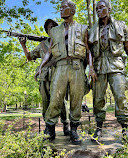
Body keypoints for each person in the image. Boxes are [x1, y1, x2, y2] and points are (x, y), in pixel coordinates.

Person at [38, 0, 96, 145]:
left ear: (73, 10)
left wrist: (91, 68)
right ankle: (50, 128)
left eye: (65, 7)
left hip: (77, 67)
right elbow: (50, 51)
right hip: (61, 66)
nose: (61, 10)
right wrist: (42, 65)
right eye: (60, 7)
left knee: (76, 99)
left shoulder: (83, 28)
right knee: (55, 98)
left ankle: (74, 129)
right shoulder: (55, 31)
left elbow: (88, 51)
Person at [88, 0, 128, 141]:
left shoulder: (121, 25)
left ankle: (125, 129)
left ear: (109, 8)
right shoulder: (92, 29)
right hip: (99, 67)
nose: (98, 10)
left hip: (116, 65)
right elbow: (90, 52)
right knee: (98, 98)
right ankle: (98, 129)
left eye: (101, 7)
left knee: (120, 96)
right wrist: (91, 69)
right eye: (96, 8)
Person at [19, 19, 70, 136]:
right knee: (45, 101)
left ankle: (66, 124)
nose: (50, 29)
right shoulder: (41, 45)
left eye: (53, 27)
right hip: (44, 76)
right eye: (48, 27)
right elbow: (29, 56)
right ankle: (49, 128)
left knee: (61, 102)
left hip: (59, 74)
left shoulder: (63, 42)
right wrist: (23, 44)